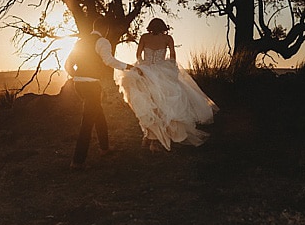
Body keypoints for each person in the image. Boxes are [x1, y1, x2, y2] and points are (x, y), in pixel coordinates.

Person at [115, 17, 218, 151]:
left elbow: (138, 55)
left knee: (149, 105)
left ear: (150, 26)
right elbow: (172, 56)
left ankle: (149, 137)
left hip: (146, 71)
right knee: (164, 105)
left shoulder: (144, 37)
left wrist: (143, 66)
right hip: (162, 72)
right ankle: (155, 138)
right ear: (163, 27)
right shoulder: (168, 38)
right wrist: (169, 69)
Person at [65, 18, 143, 169]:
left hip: (79, 85)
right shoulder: (102, 41)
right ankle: (77, 161)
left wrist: (76, 76)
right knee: (87, 122)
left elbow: (67, 63)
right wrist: (129, 67)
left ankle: (104, 148)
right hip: (92, 85)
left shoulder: (80, 42)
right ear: (105, 29)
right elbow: (109, 61)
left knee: (98, 114)